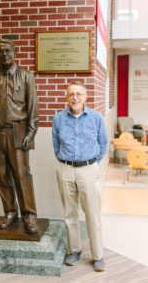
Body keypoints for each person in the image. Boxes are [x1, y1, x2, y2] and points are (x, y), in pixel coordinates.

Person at [0, 39, 39, 234]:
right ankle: (10, 212)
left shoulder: (26, 76)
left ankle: (29, 216)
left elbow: (33, 109)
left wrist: (30, 134)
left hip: (18, 133)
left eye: (8, 51)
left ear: (14, 52)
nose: (4, 54)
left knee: (22, 176)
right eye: (0, 52)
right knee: (1, 175)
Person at [52, 81, 108, 271]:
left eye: (78, 94)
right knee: (70, 213)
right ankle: (74, 250)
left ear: (85, 97)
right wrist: (64, 162)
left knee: (92, 214)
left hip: (88, 169)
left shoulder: (96, 118)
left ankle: (98, 255)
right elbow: (55, 144)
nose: (75, 97)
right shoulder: (58, 118)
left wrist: (91, 164)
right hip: (65, 169)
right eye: (71, 94)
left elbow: (103, 145)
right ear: (66, 98)